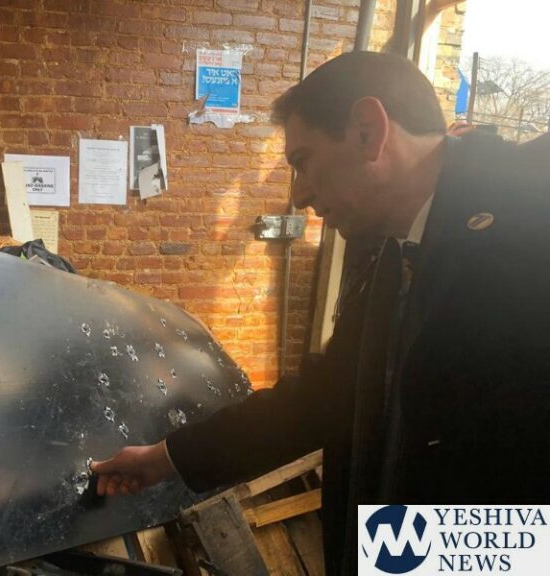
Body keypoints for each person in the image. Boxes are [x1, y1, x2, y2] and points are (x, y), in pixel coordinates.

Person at [91, 51, 550, 576]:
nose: (300, 194)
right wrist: (163, 459)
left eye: (302, 161)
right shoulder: (395, 251)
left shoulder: (531, 222)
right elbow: (326, 397)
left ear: (368, 132)